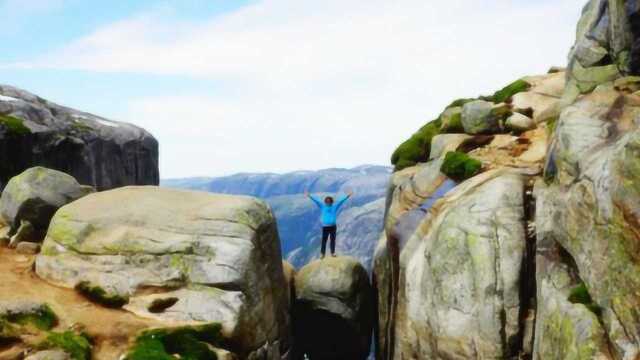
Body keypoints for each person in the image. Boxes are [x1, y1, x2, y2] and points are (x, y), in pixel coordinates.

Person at [304, 189, 353, 259]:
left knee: (332, 240)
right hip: (325, 227)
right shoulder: (322, 206)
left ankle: (332, 253)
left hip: (333, 227)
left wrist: (347, 196)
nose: (328, 202)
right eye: (327, 201)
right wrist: (309, 196)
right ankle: (322, 254)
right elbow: (316, 200)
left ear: (331, 202)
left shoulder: (334, 206)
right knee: (324, 241)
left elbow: (341, 201)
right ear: (325, 202)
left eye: (329, 201)